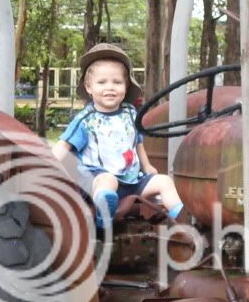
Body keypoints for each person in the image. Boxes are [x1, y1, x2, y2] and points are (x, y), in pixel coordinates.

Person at [52, 43, 184, 229]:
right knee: (107, 181)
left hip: (132, 180)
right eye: (102, 82)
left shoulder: (130, 113)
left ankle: (180, 220)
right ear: (89, 87)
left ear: (126, 86)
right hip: (98, 178)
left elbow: (137, 143)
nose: (110, 88)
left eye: (117, 82)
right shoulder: (86, 119)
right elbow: (63, 145)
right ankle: (103, 216)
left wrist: (147, 166)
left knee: (165, 181)